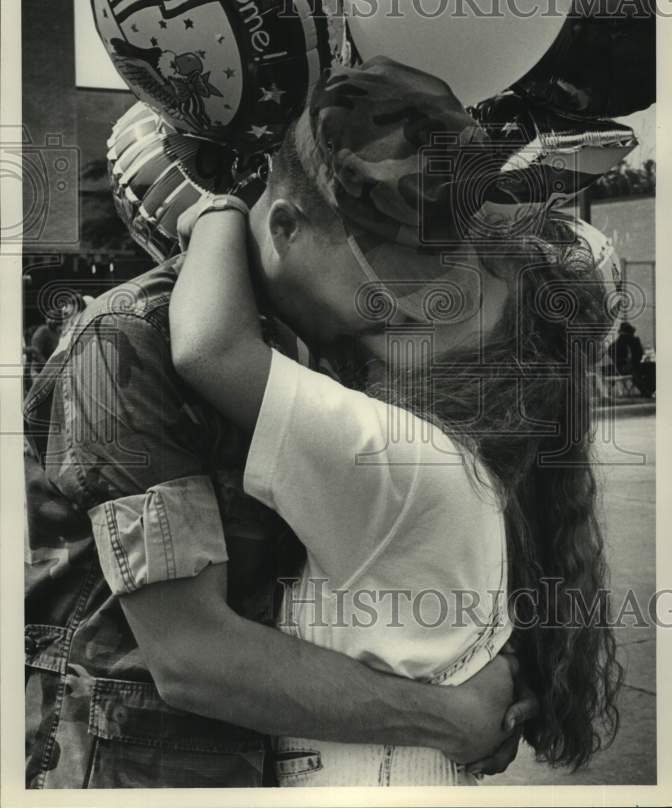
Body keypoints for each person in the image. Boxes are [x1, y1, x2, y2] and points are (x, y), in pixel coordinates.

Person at [24, 66, 536, 789]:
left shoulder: (325, 342)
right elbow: (192, 660)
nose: (414, 302)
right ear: (289, 226)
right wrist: (451, 717)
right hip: (133, 770)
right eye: (389, 273)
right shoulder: (131, 342)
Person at [156, 58, 622, 786]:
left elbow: (211, 348)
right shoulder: (467, 470)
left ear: (495, 356)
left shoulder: (407, 464)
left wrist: (214, 210)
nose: (404, 304)